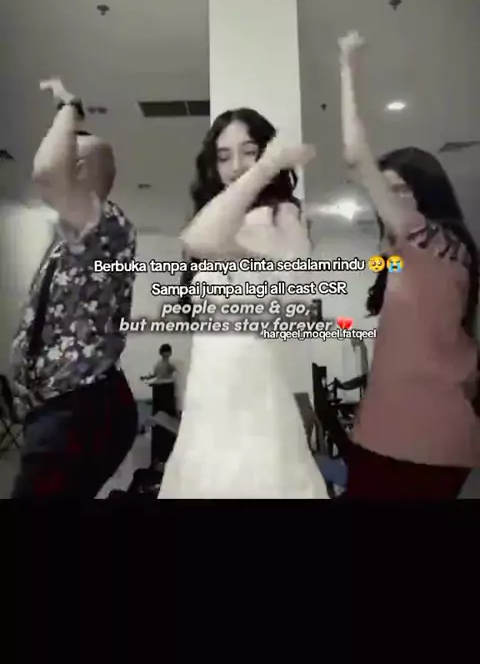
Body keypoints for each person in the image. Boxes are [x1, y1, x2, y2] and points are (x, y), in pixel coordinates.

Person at [338, 31, 480, 499]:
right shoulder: (448, 251)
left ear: (425, 192)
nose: (391, 202)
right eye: (389, 191)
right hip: (433, 436)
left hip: (409, 440)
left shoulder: (423, 234)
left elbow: (355, 156)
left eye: (401, 190)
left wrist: (346, 62)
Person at [158, 108, 329, 499]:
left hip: (253, 401)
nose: (236, 166)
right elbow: (198, 240)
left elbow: (199, 241)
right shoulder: (219, 218)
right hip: (206, 402)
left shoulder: (282, 214)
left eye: (249, 152)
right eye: (223, 156)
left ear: (267, 154)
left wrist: (267, 167)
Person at [10, 78, 138, 497]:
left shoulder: (104, 225)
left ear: (80, 171)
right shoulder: (75, 237)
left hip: (79, 406)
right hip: (65, 406)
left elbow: (47, 171)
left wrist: (69, 109)